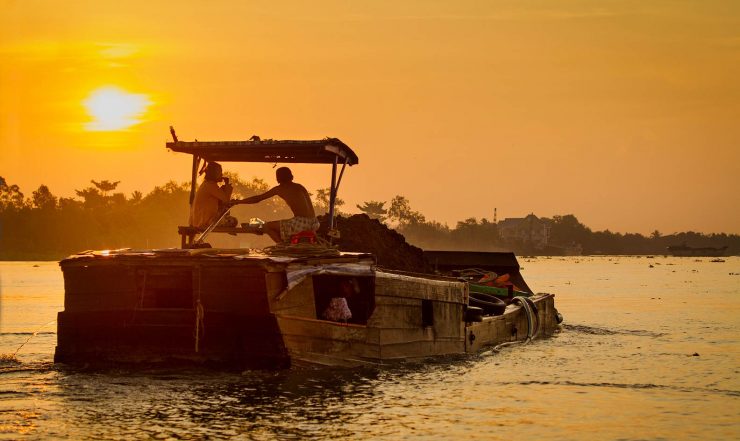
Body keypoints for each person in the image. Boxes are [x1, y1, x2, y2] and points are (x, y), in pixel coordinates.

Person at [233, 167, 318, 243]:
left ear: (278, 179)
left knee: (267, 226)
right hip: (314, 222)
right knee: (274, 225)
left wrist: (238, 202)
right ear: (291, 176)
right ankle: (285, 243)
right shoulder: (300, 186)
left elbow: (257, 199)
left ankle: (282, 246)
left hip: (300, 223)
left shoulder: (280, 189)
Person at [190, 162, 234, 229]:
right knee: (233, 221)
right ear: (214, 173)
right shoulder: (210, 185)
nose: (221, 174)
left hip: (198, 221)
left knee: (230, 220)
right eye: (220, 172)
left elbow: (222, 200)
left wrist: (225, 188)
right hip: (203, 222)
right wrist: (227, 185)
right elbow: (226, 201)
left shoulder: (207, 184)